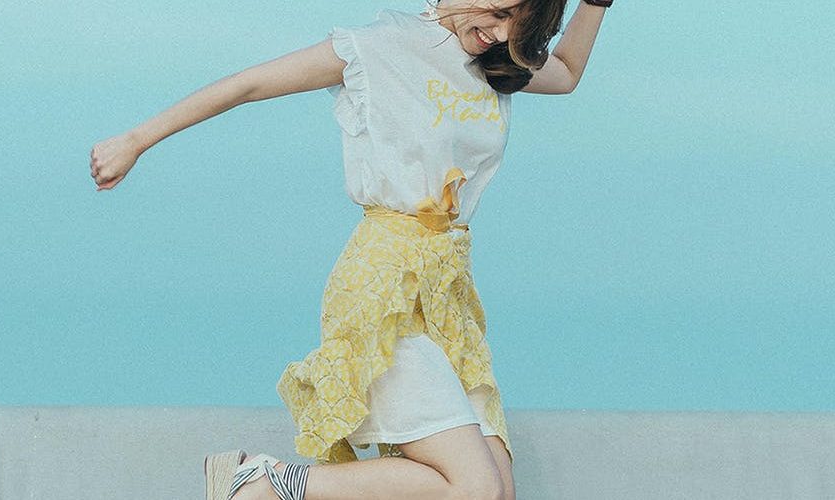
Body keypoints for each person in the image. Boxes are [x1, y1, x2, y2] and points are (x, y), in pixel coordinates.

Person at [88, 0, 611, 498]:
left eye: (517, 24)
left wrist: (597, 4)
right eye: (499, 13)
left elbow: (564, 72)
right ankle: (264, 483)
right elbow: (249, 85)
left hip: (448, 297)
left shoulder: (496, 65)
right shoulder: (381, 46)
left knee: (496, 492)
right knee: (474, 488)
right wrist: (135, 140)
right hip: (384, 287)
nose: (500, 34)